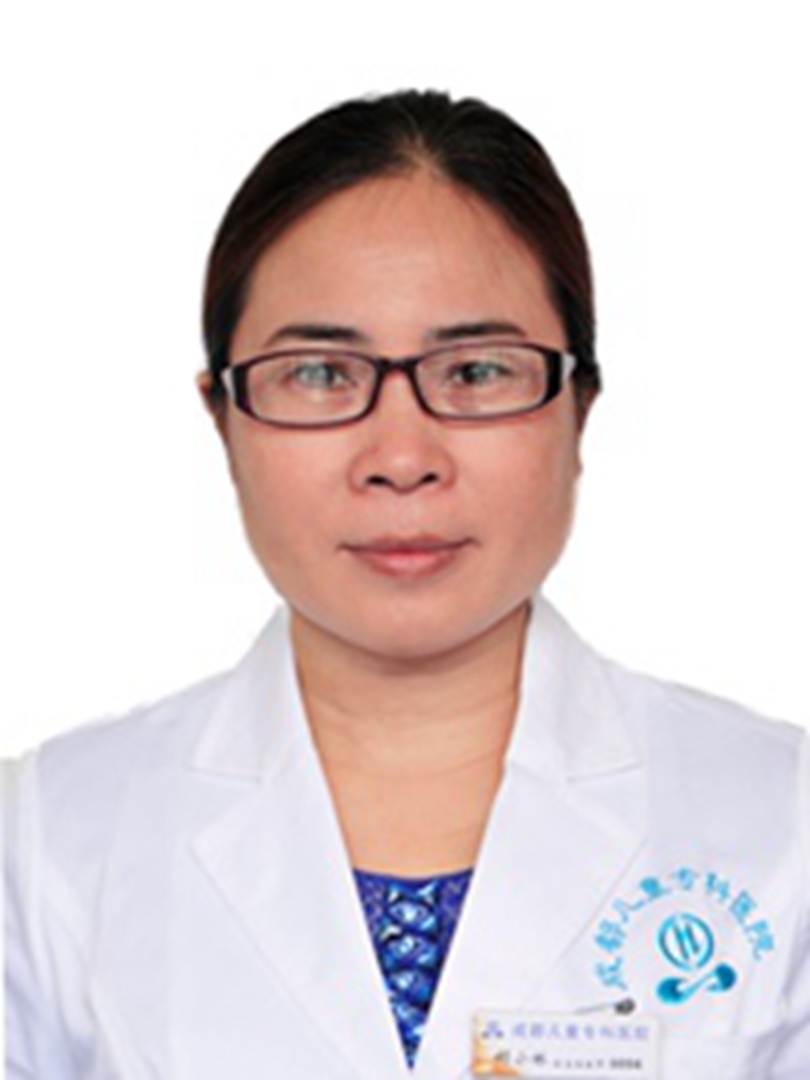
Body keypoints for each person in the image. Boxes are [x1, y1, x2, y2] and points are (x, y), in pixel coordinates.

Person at [4, 90, 809, 1079]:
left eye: (475, 373)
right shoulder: (48, 841)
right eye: (319, 374)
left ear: (580, 409)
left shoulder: (784, 822)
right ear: (223, 418)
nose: (400, 457)